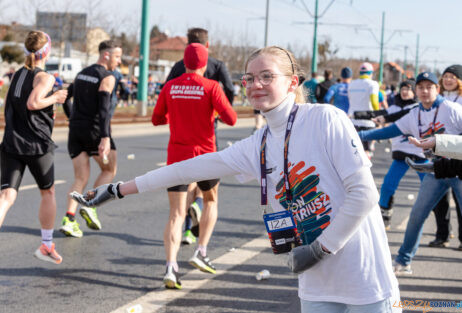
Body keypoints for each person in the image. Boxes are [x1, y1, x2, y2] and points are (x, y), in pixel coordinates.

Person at [71, 46, 400, 312]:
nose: (256, 85)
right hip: (315, 283)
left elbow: (364, 195)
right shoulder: (258, 143)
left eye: (267, 76)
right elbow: (188, 168)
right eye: (249, 78)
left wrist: (320, 250)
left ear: (293, 82)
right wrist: (118, 189)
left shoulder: (326, 120)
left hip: (364, 278)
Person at [358, 72, 462, 275]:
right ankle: (404, 261)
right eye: (420, 87)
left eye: (429, 87)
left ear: (437, 89)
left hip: (459, 172)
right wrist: (359, 134)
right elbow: (389, 131)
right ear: (416, 91)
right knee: (416, 216)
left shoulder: (452, 109)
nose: (424, 91)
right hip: (436, 171)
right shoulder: (416, 114)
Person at [151, 43, 237, 289]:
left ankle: (170, 267)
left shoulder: (169, 86)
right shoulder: (212, 87)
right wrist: (211, 113)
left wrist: (176, 115)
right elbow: (231, 118)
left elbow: (157, 118)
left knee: (176, 215)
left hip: (177, 156)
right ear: (204, 64)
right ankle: (201, 251)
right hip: (206, 157)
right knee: (210, 200)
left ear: (184, 62)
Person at [0, 31, 68, 280]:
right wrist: (56, 97)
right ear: (45, 51)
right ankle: (46, 244)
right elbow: (33, 103)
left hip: (12, 142)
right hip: (37, 146)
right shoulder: (44, 77)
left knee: (6, 195)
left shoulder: (18, 74)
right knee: (48, 192)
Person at [165, 27, 236, 244]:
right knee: (203, 176)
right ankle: (194, 213)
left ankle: (186, 228)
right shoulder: (217, 66)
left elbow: (166, 88)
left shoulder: (179, 66)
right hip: (207, 126)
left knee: (183, 179)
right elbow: (231, 89)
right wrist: (221, 112)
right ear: (207, 45)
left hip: (181, 130)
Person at [59, 40, 122, 238]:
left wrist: (72, 119)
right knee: (110, 169)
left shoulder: (81, 73)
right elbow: (104, 109)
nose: (119, 62)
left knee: (80, 178)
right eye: (117, 57)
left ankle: (69, 220)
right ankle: (90, 206)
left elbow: (65, 98)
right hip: (95, 130)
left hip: (76, 130)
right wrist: (105, 137)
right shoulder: (107, 77)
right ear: (106, 55)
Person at [371, 80, 426, 229]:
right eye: (403, 88)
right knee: (388, 186)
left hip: (420, 154)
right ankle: (385, 216)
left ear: (414, 91)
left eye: (408, 89)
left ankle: (443, 229)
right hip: (401, 154)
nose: (405, 91)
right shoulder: (393, 107)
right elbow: (379, 114)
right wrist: (355, 115)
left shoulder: (418, 108)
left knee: (431, 188)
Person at [426, 64, 462, 248]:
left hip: (458, 155)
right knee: (440, 200)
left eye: (453, 77)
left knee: (459, 198)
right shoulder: (436, 99)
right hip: (439, 153)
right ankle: (442, 235)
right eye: (446, 76)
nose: (448, 79)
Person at [347, 62, 380, 158]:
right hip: (368, 122)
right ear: (371, 73)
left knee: (354, 151)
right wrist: (378, 115)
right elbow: (374, 102)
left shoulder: (352, 84)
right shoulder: (373, 84)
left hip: (353, 121)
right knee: (366, 152)